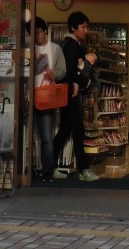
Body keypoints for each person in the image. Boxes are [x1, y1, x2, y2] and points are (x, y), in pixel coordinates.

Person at [51, 10, 99, 181]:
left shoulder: (66, 44)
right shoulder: (72, 45)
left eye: (87, 27)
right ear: (73, 28)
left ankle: (48, 166)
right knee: (78, 130)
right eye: (83, 27)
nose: (86, 30)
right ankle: (84, 169)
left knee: (65, 130)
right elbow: (69, 71)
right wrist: (86, 67)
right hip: (70, 93)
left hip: (66, 93)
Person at [32, 16, 67, 182]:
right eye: (32, 33)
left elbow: (62, 72)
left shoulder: (55, 49)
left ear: (45, 31)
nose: (36, 36)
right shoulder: (28, 49)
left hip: (47, 97)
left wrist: (52, 73)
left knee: (46, 137)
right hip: (30, 96)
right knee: (27, 136)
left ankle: (47, 171)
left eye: (38, 32)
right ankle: (30, 168)